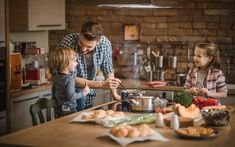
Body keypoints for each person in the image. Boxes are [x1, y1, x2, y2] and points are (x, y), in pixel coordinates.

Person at [58, 21, 121, 110]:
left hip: (88, 97)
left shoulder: (104, 44)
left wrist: (115, 95)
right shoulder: (68, 42)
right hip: (66, 101)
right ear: (80, 34)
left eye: (89, 47)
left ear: (98, 42)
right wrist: (101, 84)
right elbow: (67, 78)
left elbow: (108, 70)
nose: (83, 49)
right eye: (81, 43)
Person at [49, 48, 90, 116]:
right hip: (69, 110)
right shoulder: (70, 79)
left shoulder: (56, 76)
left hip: (58, 108)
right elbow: (71, 96)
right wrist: (84, 93)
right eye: (74, 61)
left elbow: (53, 91)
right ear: (65, 63)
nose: (76, 63)